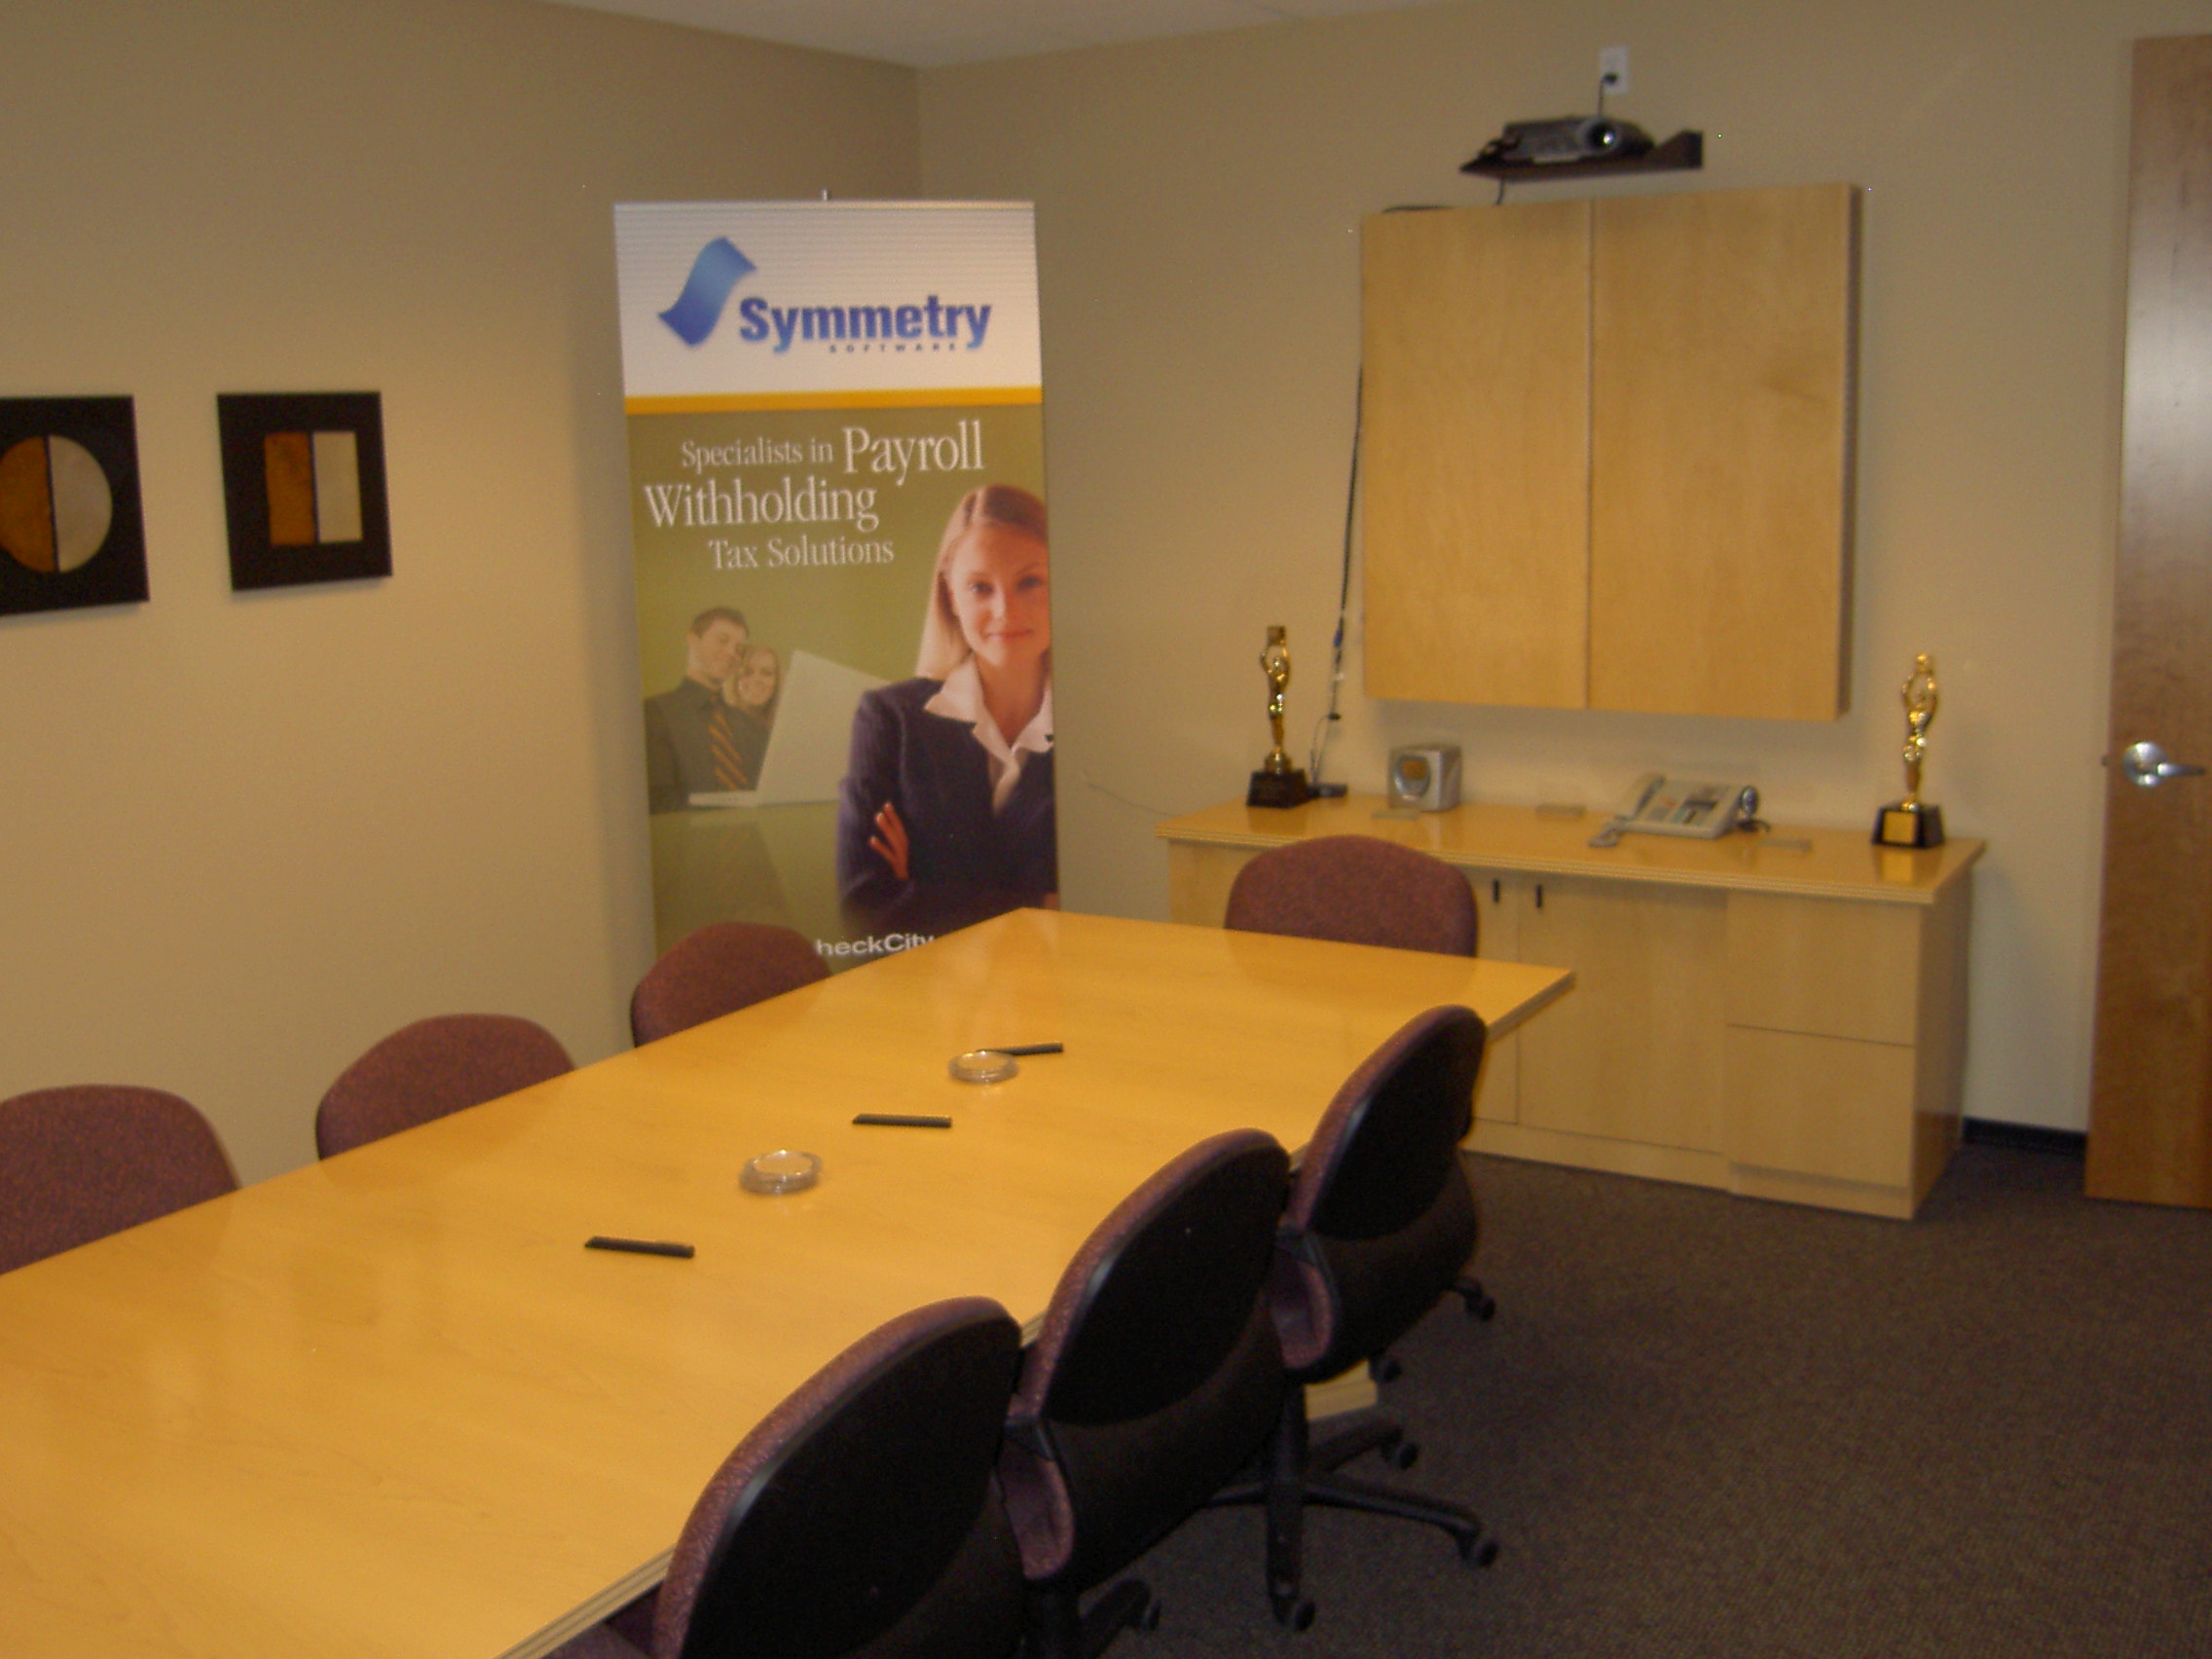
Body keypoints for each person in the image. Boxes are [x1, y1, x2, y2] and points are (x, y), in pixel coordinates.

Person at [837, 485, 1055, 933]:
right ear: (951, 597)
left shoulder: (1100, 727)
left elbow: (1111, 902)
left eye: (1029, 582)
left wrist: (923, 895)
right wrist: (1044, 903)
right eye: (979, 587)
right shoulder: (889, 720)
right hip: (928, 979)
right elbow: (865, 907)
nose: (1005, 610)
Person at [643, 607, 751, 811]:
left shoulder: (744, 723)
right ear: (693, 640)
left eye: (738, 648)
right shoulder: (653, 714)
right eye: (722, 640)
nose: (731, 653)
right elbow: (658, 802)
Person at [722, 644, 781, 787]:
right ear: (734, 679)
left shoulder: (783, 732)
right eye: (747, 672)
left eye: (767, 673)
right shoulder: (721, 729)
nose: (757, 679)